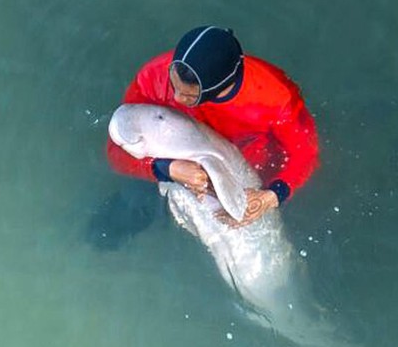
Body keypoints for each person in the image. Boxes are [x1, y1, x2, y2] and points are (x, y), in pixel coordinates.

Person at [107, 26, 319, 227]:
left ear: (215, 90)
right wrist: (164, 168)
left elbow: (305, 153)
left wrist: (272, 196)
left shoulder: (276, 98)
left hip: (246, 168)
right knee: (110, 226)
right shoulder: (153, 75)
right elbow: (115, 152)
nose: (176, 98)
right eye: (174, 84)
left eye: (189, 95)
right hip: (166, 158)